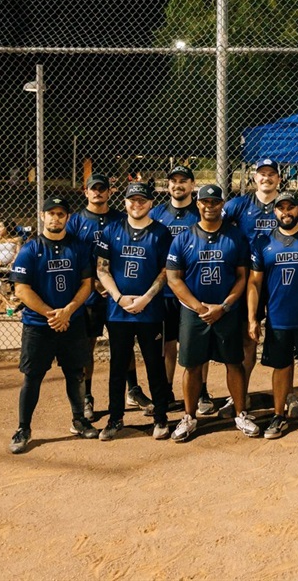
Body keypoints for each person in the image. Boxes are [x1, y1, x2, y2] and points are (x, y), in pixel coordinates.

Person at [166, 184, 257, 442]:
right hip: (194, 312)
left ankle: (241, 412)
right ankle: (189, 417)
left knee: (233, 362)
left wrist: (224, 306)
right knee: (192, 365)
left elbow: (243, 276)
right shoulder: (184, 238)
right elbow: (174, 279)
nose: (210, 206)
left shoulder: (235, 237)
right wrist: (199, 307)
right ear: (198, 204)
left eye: (215, 202)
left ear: (221, 205)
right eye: (205, 202)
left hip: (226, 310)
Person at [8, 196, 98, 453]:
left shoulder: (78, 247)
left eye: (61, 214)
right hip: (38, 325)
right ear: (42, 216)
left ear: (67, 218)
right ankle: (23, 428)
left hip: (72, 321)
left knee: (75, 373)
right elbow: (22, 290)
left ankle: (79, 420)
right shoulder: (30, 249)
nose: (56, 218)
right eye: (51, 213)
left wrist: (68, 311)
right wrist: (52, 315)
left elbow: (86, 284)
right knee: (33, 377)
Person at [93, 182, 173, 441]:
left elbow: (166, 271)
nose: (136, 205)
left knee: (154, 365)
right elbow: (102, 269)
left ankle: (161, 418)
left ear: (150, 203)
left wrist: (146, 299)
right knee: (118, 366)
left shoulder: (160, 233)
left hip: (150, 311)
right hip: (119, 312)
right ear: (125, 203)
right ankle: (115, 418)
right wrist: (118, 298)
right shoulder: (112, 230)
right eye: (132, 200)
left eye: (142, 200)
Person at [247, 192, 298, 441]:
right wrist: (252, 318)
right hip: (278, 318)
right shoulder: (263, 241)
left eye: (291, 207)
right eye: (281, 208)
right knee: (281, 367)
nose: (286, 212)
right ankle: (279, 415)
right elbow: (255, 284)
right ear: (275, 211)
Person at [66, 174, 141, 421]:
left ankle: (133, 390)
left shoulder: (121, 219)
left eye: (102, 189)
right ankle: (87, 396)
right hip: (89, 294)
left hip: (116, 293)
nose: (98, 192)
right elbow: (72, 256)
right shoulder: (76, 221)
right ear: (85, 192)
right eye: (93, 189)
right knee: (87, 346)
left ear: (110, 192)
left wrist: (113, 285)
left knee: (124, 343)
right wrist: (93, 282)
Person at [222, 157, 282, 416]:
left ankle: (286, 392)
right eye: (261, 174)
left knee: (284, 337)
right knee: (249, 339)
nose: (266, 178)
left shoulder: (288, 205)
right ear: (254, 178)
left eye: (271, 174)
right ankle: (240, 395)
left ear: (279, 178)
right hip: (250, 280)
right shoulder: (239, 205)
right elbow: (217, 228)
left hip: (280, 278)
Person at [149, 165, 202, 412]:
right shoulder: (158, 213)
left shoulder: (200, 212)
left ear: (192, 185)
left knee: (196, 342)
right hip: (165, 291)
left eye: (183, 181)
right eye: (173, 181)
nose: (177, 185)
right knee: (168, 342)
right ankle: (168, 389)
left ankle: (201, 391)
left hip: (193, 289)